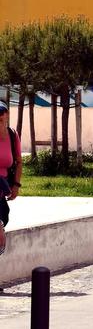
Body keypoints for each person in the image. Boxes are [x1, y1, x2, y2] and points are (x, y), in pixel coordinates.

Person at [0, 101, 21, 254]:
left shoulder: (12, 135)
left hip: (4, 185)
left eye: (2, 113)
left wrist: (16, 185)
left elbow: (19, 162)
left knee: (4, 214)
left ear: (6, 115)